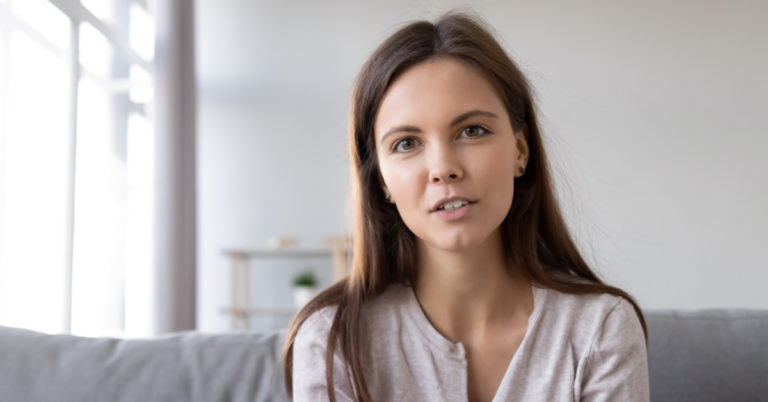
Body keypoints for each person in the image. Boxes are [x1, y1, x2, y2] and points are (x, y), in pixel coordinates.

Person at [282, 11, 649, 402]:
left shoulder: (601, 329)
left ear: (520, 151)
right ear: (382, 181)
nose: (443, 169)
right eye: (406, 143)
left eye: (472, 131)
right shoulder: (331, 340)